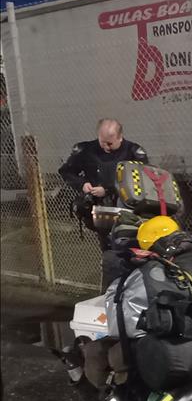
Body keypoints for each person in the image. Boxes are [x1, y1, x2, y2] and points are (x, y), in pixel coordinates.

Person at [59, 118, 148, 289]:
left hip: (128, 212)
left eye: (110, 143)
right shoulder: (87, 150)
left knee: (129, 251)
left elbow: (141, 181)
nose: (105, 147)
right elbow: (67, 171)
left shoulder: (133, 152)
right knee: (108, 251)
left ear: (120, 137)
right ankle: (110, 290)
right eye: (102, 142)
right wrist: (82, 183)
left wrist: (107, 189)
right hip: (100, 211)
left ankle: (130, 287)